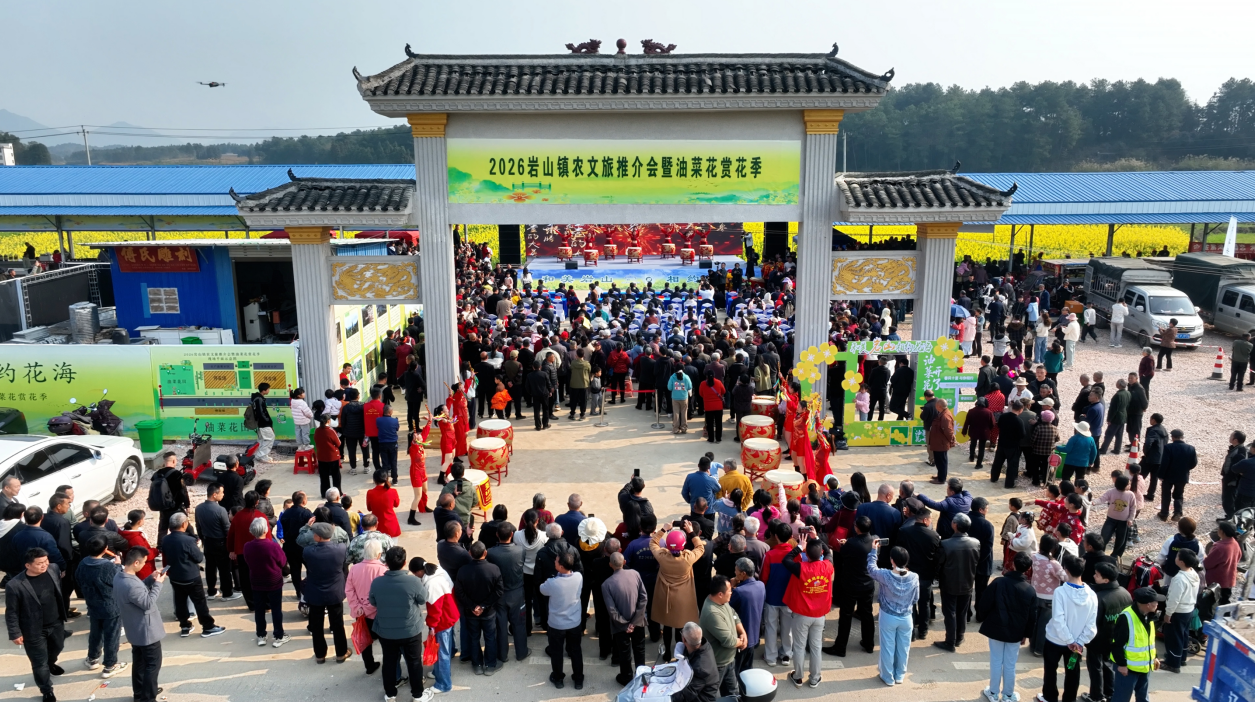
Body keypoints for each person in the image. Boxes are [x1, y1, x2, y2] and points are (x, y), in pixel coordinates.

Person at [368, 546, 433, 702]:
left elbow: (373, 602)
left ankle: (390, 694)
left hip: (386, 631)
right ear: (404, 563)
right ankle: (418, 695)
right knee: (414, 661)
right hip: (411, 630)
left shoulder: (377, 583)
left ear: (387, 563)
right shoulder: (413, 582)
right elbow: (423, 600)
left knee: (389, 661)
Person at [5, 548, 67, 702]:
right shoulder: (15, 585)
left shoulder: (53, 569)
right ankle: (47, 690)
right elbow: (11, 611)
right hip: (33, 630)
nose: (45, 565)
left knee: (58, 648)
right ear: (28, 565)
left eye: (46, 561)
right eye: (40, 563)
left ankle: (51, 663)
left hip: (56, 623)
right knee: (39, 662)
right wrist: (15, 632)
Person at [979, 551, 1037, 702]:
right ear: (1028, 569)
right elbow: (1032, 617)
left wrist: (984, 618)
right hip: (1016, 632)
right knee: (1010, 663)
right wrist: (1027, 634)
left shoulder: (998, 582)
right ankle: (1008, 695)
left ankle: (992, 692)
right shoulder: (1029, 590)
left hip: (996, 628)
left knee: (996, 660)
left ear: (1012, 564)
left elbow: (984, 603)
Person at [1039, 554, 1098, 702]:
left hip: (1055, 641)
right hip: (1076, 646)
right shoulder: (1092, 595)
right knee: (1072, 671)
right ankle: (1069, 699)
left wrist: (1069, 640)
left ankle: (1050, 697)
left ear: (1066, 570)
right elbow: (1091, 625)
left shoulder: (1060, 592)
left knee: (1050, 670)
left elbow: (1058, 620)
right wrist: (1078, 642)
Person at [781, 528, 833, 689]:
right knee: (816, 647)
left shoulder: (801, 568)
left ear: (806, 555)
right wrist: (816, 536)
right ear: (821, 553)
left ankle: (798, 676)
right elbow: (829, 551)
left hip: (802, 614)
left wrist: (799, 546)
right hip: (820, 615)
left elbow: (786, 560)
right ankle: (815, 677)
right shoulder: (828, 565)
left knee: (799, 646)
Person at [114, 547, 167, 702]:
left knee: (139, 662)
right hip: (147, 630)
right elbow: (148, 603)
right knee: (152, 665)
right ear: (136, 562)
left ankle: (140, 693)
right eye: (143, 562)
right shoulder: (132, 584)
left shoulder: (120, 576)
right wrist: (158, 584)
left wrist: (150, 579)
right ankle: (148, 698)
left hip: (134, 628)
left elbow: (136, 594)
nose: (144, 565)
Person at [161, 513, 224, 638]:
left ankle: (185, 625)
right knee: (200, 603)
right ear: (184, 524)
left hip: (175, 576)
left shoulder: (165, 539)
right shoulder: (188, 540)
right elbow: (199, 558)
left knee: (180, 602)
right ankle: (207, 626)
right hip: (190, 576)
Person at [867, 541, 919, 687]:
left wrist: (873, 551)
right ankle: (900, 675)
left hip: (888, 616)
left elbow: (871, 569)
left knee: (887, 646)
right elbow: (916, 598)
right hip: (906, 616)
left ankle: (887, 676)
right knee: (903, 647)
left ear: (892, 560)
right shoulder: (914, 577)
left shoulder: (885, 575)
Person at [650, 524, 704, 660]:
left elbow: (653, 542)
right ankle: (679, 653)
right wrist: (691, 532)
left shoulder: (662, 557)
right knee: (680, 627)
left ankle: (667, 652)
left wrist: (664, 529)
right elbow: (700, 547)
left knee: (667, 626)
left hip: (666, 596)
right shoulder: (688, 558)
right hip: (682, 598)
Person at [76, 536, 127, 678]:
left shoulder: (83, 564)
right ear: (105, 549)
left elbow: (78, 580)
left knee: (95, 632)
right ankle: (110, 665)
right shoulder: (108, 566)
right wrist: (118, 565)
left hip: (92, 604)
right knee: (112, 635)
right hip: (111, 606)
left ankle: (92, 658)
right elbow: (119, 581)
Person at [826, 515, 875, 656]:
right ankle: (868, 643)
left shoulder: (851, 544)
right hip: (867, 583)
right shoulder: (873, 541)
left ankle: (840, 647)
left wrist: (844, 544)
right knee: (867, 613)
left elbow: (844, 555)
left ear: (857, 528)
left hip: (851, 584)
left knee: (846, 615)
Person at [304, 522, 350, 664]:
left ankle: (320, 655)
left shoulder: (308, 551)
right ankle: (341, 653)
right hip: (334, 591)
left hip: (315, 592)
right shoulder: (341, 549)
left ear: (317, 536)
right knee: (337, 624)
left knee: (317, 625)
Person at [933, 512, 979, 652]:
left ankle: (950, 641)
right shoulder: (975, 543)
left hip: (949, 584)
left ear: (955, 525)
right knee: (962, 611)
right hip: (967, 582)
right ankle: (959, 637)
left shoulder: (946, 544)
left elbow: (939, 564)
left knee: (950, 612)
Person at [539, 549, 584, 689]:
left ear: (561, 567)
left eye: (557, 561)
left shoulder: (553, 583)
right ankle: (578, 679)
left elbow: (542, 589)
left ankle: (558, 678)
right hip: (574, 622)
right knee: (576, 651)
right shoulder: (578, 577)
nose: (555, 562)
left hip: (557, 624)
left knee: (557, 652)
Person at [1088, 561, 1133, 702]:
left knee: (1096, 668)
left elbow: (1093, 622)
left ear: (1106, 580)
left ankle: (1096, 696)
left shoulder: (1099, 598)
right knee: (1108, 666)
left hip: (1098, 641)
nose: (1094, 576)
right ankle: (1110, 692)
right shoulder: (1125, 594)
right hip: (1115, 640)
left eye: (1097, 575)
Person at [456, 541, 503, 675]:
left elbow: (459, 592)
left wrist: (472, 606)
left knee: (474, 637)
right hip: (488, 612)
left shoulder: (463, 570)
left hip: (470, 613)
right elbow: (499, 591)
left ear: (470, 553)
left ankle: (476, 664)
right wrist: (483, 605)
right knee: (489, 637)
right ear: (485, 553)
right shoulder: (494, 569)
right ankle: (490, 665)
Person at [242, 517, 289, 647]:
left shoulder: (247, 546)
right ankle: (279, 635)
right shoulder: (273, 546)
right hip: (273, 580)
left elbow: (247, 561)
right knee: (276, 609)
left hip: (256, 581)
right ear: (265, 530)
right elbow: (283, 562)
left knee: (259, 609)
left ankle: (261, 634)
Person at [485, 523, 528, 663]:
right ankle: (521, 653)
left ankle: (502, 655)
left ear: (497, 535)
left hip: (499, 595)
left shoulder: (491, 553)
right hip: (517, 593)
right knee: (519, 624)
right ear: (511, 535)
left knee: (501, 626)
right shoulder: (520, 550)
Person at [700, 575, 748, 697]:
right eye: (729, 591)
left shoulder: (722, 602)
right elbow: (728, 641)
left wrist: (742, 633)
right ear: (720, 594)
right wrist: (742, 642)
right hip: (718, 665)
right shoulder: (712, 613)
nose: (732, 592)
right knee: (713, 696)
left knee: (733, 694)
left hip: (729, 660)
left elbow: (734, 614)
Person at [346, 539, 388, 675]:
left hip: (361, 613)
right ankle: (389, 667)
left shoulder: (354, 569)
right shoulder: (383, 570)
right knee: (386, 643)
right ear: (379, 554)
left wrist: (358, 606)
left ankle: (369, 665)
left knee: (365, 640)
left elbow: (349, 590)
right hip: (379, 614)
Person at [1110, 588, 1159, 702]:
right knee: (1121, 698)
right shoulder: (1126, 617)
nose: (1157, 604)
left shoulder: (1149, 616)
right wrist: (1121, 665)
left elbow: (1149, 641)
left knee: (1143, 697)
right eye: (1155, 602)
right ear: (1147, 604)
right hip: (1127, 669)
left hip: (1145, 667)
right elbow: (1117, 644)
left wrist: (1154, 657)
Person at [420, 557, 458, 694]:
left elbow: (434, 610)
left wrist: (431, 627)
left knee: (442, 653)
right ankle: (438, 673)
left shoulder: (431, 585)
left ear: (419, 572)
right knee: (445, 650)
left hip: (442, 622)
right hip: (450, 614)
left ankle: (443, 684)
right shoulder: (439, 571)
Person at [195, 483, 237, 601]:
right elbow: (227, 530)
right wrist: (231, 545)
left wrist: (203, 539)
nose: (223, 495)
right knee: (224, 569)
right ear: (214, 494)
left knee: (210, 567)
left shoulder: (198, 508)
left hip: (207, 541)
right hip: (220, 543)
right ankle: (227, 593)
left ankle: (211, 591)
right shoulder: (221, 510)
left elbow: (198, 527)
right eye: (221, 492)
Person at [1161, 549, 1199, 673]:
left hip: (1178, 611)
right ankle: (1180, 658)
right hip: (1189, 609)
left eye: (1177, 556)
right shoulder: (1193, 573)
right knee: (1183, 635)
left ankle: (1173, 663)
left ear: (1181, 562)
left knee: (1173, 637)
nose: (1175, 557)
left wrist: (1168, 614)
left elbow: (1174, 599)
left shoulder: (1179, 579)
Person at [729, 557, 764, 691]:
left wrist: (731, 587)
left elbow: (727, 608)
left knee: (735, 671)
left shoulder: (738, 592)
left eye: (736, 570)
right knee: (747, 670)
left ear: (743, 573)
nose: (734, 572)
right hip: (754, 636)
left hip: (741, 638)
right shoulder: (761, 585)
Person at [671, 622, 721, 702]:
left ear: (684, 639)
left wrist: (666, 698)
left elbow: (687, 694)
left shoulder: (701, 669)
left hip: (703, 698)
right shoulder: (703, 644)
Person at [1157, 428, 1197, 522]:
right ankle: (1177, 512)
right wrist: (1186, 469)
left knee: (1166, 495)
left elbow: (1164, 463)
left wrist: (1161, 475)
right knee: (1178, 495)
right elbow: (1193, 463)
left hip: (1168, 475)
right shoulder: (1191, 448)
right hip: (1182, 476)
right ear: (1182, 437)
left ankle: (1164, 513)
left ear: (1172, 437)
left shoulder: (1168, 447)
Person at [151, 451, 190, 547]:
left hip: (163, 506)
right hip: (176, 507)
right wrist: (187, 505)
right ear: (173, 461)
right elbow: (183, 491)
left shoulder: (156, 475)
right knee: (186, 527)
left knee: (163, 528)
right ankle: (190, 542)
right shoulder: (177, 474)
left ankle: (160, 548)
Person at [1204, 521, 1241, 604]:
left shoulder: (1220, 547)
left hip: (1217, 580)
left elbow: (1207, 564)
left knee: (1212, 603)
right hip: (1229, 578)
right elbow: (1239, 557)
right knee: (1225, 601)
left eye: (1218, 529)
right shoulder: (1235, 543)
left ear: (1222, 532)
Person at [927, 398, 957, 483]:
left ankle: (941, 479)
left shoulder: (945, 416)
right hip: (938, 443)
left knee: (942, 461)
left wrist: (951, 441)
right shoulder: (942, 413)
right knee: (939, 460)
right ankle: (940, 475)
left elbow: (948, 431)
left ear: (939, 406)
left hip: (941, 443)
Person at [367, 470, 402, 538]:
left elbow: (369, 508)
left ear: (374, 480)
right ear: (387, 479)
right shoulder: (393, 491)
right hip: (391, 526)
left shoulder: (370, 493)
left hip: (377, 527)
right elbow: (396, 504)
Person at [249, 382, 275, 463]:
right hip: (263, 423)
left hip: (261, 423)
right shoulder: (259, 399)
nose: (269, 390)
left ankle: (261, 455)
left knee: (262, 439)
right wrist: (267, 421)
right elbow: (261, 413)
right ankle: (262, 456)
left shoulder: (257, 398)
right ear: (264, 390)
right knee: (269, 438)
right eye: (268, 389)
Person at [699, 370, 727, 443]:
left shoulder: (703, 383)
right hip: (718, 406)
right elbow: (724, 391)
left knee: (710, 423)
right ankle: (718, 438)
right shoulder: (718, 382)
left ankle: (711, 438)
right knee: (718, 423)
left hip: (708, 406)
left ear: (706, 376)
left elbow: (701, 394)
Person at [376, 406, 401, 483]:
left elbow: (378, 427)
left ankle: (385, 479)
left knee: (384, 462)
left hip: (382, 443)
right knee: (394, 461)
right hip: (393, 443)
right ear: (390, 412)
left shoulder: (378, 420)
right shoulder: (395, 421)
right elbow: (397, 429)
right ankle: (395, 479)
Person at [669, 366, 693, 434]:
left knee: (676, 413)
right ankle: (684, 428)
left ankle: (675, 428)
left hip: (675, 397)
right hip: (684, 397)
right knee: (684, 412)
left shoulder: (672, 377)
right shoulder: (686, 377)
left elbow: (669, 387)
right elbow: (690, 386)